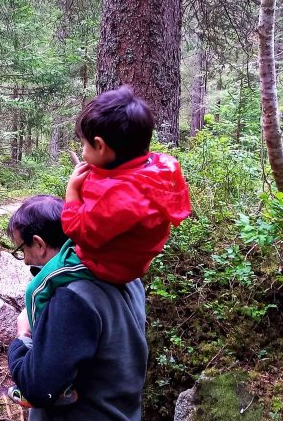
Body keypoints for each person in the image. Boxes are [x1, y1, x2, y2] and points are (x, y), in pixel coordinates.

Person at [7, 195, 154, 421]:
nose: (23, 260)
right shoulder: (124, 274)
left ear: (39, 244)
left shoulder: (72, 296)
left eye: (20, 249)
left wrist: (22, 339)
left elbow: (39, 387)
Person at [25, 86, 191, 332]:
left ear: (100, 146)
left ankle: (37, 337)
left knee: (36, 288)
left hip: (104, 263)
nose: (82, 151)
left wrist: (72, 192)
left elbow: (78, 231)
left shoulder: (119, 198)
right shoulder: (156, 168)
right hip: (126, 254)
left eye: (84, 144)